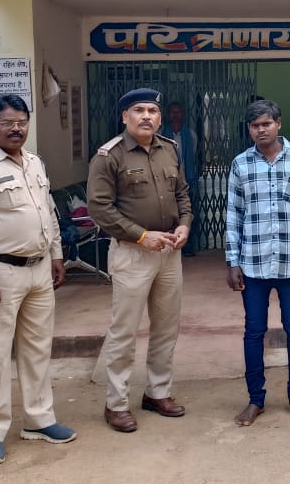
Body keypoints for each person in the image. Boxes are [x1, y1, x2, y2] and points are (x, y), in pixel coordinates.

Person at [0, 95, 76, 466]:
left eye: (22, 122)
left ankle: (39, 419)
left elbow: (48, 213)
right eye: (8, 123)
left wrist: (56, 255)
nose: (16, 129)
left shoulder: (35, 163)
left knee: (37, 349)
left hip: (39, 270)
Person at [88, 88, 193, 434]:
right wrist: (140, 235)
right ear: (125, 117)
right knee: (124, 331)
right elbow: (100, 208)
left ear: (160, 118)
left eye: (152, 110)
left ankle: (157, 392)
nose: (146, 116)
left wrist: (184, 224)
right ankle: (116, 403)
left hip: (169, 252)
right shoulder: (109, 155)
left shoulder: (170, 149)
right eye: (138, 110)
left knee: (166, 327)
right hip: (132, 253)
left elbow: (182, 193)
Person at [225, 99, 290, 426]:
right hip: (252, 264)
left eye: (266, 124)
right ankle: (256, 399)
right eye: (255, 126)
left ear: (278, 123)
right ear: (249, 129)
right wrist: (232, 260)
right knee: (254, 331)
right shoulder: (240, 164)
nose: (261, 130)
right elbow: (233, 215)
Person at [159, 101, 200, 257]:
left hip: (188, 179)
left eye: (178, 112)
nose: (175, 115)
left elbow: (193, 155)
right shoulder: (161, 134)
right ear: (167, 115)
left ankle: (188, 246)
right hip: (167, 180)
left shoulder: (191, 135)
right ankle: (170, 245)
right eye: (172, 112)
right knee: (170, 213)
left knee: (188, 211)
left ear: (183, 114)